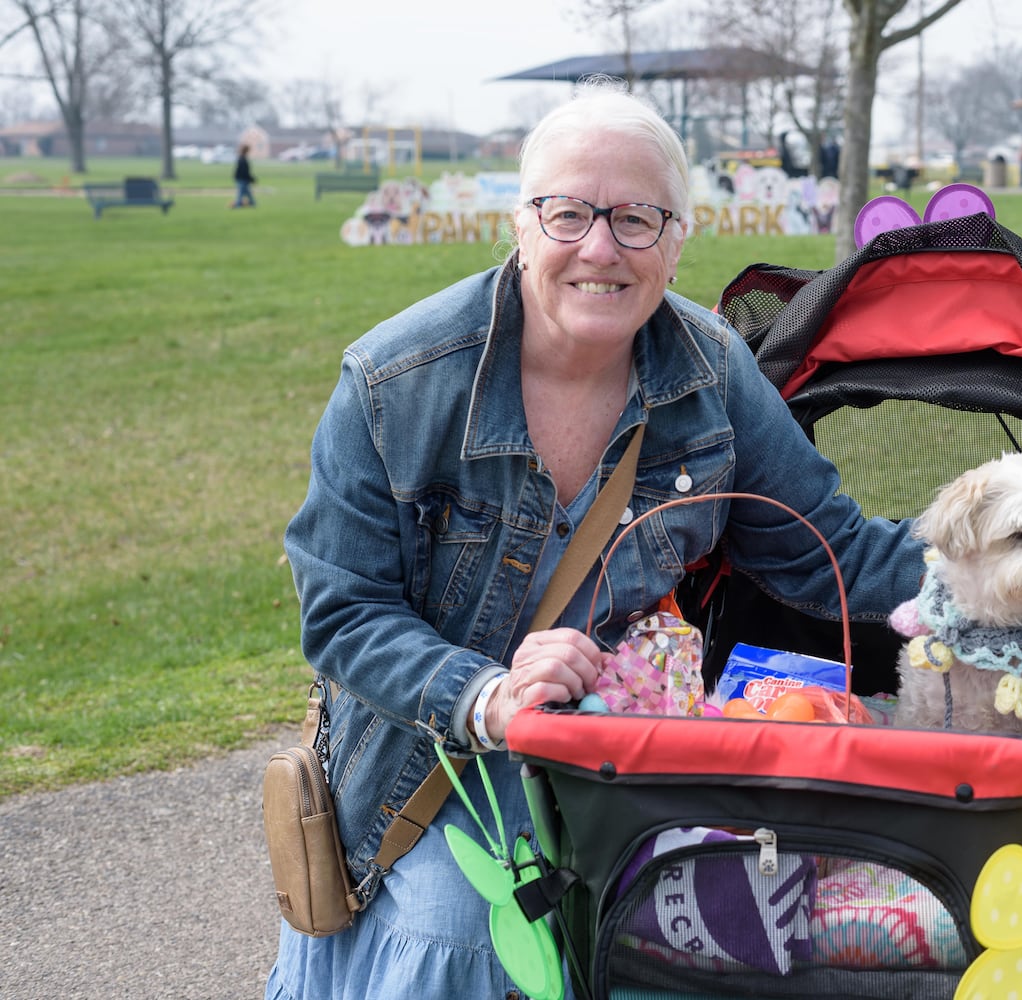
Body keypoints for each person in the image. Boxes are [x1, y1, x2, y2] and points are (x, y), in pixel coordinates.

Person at [262, 82, 925, 1000]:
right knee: (466, 930)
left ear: (678, 239)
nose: (601, 248)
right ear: (523, 224)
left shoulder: (711, 373)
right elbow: (343, 614)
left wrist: (1016, 572)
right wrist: (490, 696)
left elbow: (830, 554)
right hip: (434, 756)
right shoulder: (395, 383)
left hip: (608, 756)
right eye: (569, 213)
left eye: (636, 219)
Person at [231, 144, 256, 208]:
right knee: (241, 193)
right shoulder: (242, 159)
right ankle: (238, 204)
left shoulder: (241, 158)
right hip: (242, 179)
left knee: (246, 192)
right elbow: (244, 171)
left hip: (242, 178)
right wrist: (251, 178)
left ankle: (252, 203)